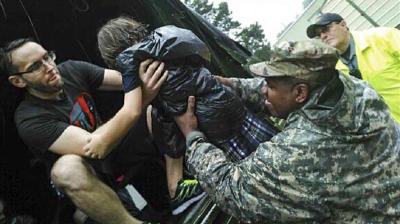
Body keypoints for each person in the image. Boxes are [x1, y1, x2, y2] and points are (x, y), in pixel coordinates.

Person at [173, 39, 400, 223]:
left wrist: (193, 138)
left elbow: (234, 190)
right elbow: (273, 90)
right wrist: (231, 85)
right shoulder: (353, 89)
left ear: (300, 93)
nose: (265, 91)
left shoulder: (299, 150)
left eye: (271, 85)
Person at [96, 17, 278, 214]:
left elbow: (133, 109)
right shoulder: (166, 40)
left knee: (252, 190)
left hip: (215, 137)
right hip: (233, 111)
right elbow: (198, 53)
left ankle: (176, 187)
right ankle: (177, 187)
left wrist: (145, 96)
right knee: (275, 167)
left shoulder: (131, 65)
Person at [0, 38, 167, 224]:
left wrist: (143, 66)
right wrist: (138, 102)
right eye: (35, 66)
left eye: (47, 57)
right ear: (18, 81)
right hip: (89, 178)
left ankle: (179, 188)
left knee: (156, 109)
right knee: (66, 169)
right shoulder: (28, 118)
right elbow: (95, 147)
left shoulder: (70, 70)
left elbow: (129, 81)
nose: (49, 66)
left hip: (115, 152)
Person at [306, 12, 400, 123]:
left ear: (343, 24)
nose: (323, 36)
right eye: (319, 35)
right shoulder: (335, 72)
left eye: (326, 29)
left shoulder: (383, 37)